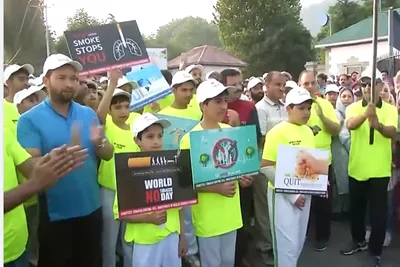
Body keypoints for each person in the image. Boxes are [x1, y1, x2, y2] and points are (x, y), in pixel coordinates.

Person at [17, 53, 114, 267]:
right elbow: (30, 169)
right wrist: (54, 160)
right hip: (56, 214)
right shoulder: (29, 120)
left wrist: (99, 143)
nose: (69, 84)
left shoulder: (88, 114)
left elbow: (108, 153)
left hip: (91, 208)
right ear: (46, 81)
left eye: (73, 78)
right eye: (61, 78)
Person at [180, 79, 253, 267]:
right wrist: (216, 188)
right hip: (207, 216)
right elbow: (186, 183)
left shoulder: (231, 131)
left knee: (228, 261)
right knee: (212, 263)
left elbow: (238, 169)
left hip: (231, 212)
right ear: (203, 105)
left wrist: (244, 179)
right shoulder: (189, 139)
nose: (223, 106)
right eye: (217, 101)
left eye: (225, 101)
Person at [4, 126, 87, 267]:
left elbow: (30, 168)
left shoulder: (3, 132)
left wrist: (52, 161)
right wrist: (34, 184)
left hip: (17, 247)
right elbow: (34, 180)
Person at [340, 68, 398, 267]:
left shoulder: (390, 109)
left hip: (380, 170)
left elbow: (392, 132)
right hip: (357, 168)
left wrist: (378, 125)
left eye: (371, 84)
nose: (366, 88)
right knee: (356, 210)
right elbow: (350, 125)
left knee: (378, 214)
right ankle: (358, 240)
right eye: (363, 84)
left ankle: (375, 250)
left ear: (381, 86)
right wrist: (366, 115)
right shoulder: (354, 107)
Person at [117, 113, 187, 267]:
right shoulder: (128, 170)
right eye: (150, 137)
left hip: (172, 235)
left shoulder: (172, 165)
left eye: (160, 136)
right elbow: (121, 213)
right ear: (137, 140)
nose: (156, 142)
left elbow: (180, 206)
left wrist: (182, 237)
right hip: (145, 240)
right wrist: (149, 217)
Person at [260, 87, 316, 267]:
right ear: (289, 109)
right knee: (286, 248)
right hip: (283, 197)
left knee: (298, 243)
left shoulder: (308, 131)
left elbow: (309, 163)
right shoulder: (277, 132)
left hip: (305, 195)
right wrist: (293, 195)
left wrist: (320, 179)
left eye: (308, 108)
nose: (306, 112)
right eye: (301, 108)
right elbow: (267, 167)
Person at [158, 71, 201, 267]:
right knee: (174, 213)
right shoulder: (162, 115)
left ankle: (190, 252)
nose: (188, 94)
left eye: (191, 90)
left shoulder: (198, 112)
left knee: (189, 212)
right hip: (169, 168)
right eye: (184, 90)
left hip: (192, 168)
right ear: (174, 90)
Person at [97, 69, 138, 267]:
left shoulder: (136, 128)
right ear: (110, 110)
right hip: (110, 192)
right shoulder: (107, 128)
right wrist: (112, 84)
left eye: (126, 106)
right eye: (118, 107)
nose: (123, 111)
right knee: (109, 243)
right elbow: (99, 116)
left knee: (129, 240)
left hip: (131, 192)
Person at [220, 69, 260, 266]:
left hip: (242, 170)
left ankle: (240, 256)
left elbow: (253, 139)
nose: (238, 88)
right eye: (233, 84)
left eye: (240, 84)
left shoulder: (249, 106)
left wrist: (248, 169)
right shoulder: (213, 107)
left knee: (243, 215)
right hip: (217, 174)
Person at [298, 70, 340, 251]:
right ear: (299, 85)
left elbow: (336, 130)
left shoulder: (324, 104)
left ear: (317, 84)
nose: (309, 86)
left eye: (312, 83)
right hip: (300, 160)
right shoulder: (293, 105)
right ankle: (302, 234)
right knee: (301, 202)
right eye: (305, 84)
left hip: (322, 161)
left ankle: (323, 236)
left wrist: (322, 116)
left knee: (323, 204)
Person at [255, 71, 287, 266]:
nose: (282, 89)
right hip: (266, 165)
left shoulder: (286, 107)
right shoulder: (260, 109)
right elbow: (263, 139)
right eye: (277, 85)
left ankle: (279, 245)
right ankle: (266, 246)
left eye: (283, 85)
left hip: (286, 164)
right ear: (266, 85)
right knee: (265, 209)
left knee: (281, 207)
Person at [331, 88, 354, 221]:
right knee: (338, 181)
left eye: (349, 96)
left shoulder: (355, 112)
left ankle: (347, 209)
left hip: (352, 152)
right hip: (339, 151)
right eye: (343, 96)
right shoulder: (335, 113)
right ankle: (337, 210)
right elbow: (342, 133)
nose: (346, 99)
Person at [4, 64, 34, 135]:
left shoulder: (33, 106)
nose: (26, 83)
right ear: (8, 82)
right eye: (21, 79)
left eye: (27, 79)